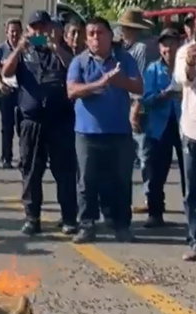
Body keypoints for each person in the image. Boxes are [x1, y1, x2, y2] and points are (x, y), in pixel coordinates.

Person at [2, 10, 77, 237]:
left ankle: (69, 217)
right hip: (31, 121)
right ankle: (32, 218)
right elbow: (6, 72)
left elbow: (73, 67)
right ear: (28, 30)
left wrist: (56, 48)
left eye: (43, 27)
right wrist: (19, 48)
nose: (39, 32)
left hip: (59, 120)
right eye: (35, 28)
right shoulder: (24, 53)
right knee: (31, 171)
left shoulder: (61, 50)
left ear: (50, 28)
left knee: (64, 171)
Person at [67, 16, 142, 244]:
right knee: (87, 181)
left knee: (120, 181)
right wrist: (97, 85)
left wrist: (119, 81)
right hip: (87, 134)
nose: (95, 38)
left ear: (111, 36)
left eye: (100, 33)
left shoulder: (124, 59)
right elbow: (71, 91)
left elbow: (138, 87)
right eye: (91, 34)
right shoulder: (79, 62)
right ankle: (87, 226)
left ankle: (121, 225)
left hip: (119, 132)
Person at [141, 29, 184, 229]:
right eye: (165, 45)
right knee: (156, 173)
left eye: (172, 44)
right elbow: (146, 99)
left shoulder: (187, 67)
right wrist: (162, 95)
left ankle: (191, 216)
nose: (169, 49)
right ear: (160, 48)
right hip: (159, 127)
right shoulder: (152, 70)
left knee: (190, 173)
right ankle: (155, 213)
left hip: (185, 126)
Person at [116, 9, 157, 212]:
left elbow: (142, 82)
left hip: (140, 104)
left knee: (143, 150)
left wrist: (137, 107)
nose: (122, 32)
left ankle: (151, 198)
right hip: (132, 103)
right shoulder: (130, 48)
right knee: (137, 152)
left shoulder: (140, 49)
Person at [174, 35, 196, 261]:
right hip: (192, 132)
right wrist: (191, 63)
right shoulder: (185, 52)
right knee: (193, 191)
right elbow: (183, 79)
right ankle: (195, 239)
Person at [0, 18, 22, 169]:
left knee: (23, 127)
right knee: (7, 127)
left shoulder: (27, 47)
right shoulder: (0, 50)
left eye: (17, 31)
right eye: (12, 31)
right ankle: (6, 158)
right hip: (8, 91)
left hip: (24, 92)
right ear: (6, 33)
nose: (14, 35)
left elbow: (44, 39)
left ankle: (25, 157)